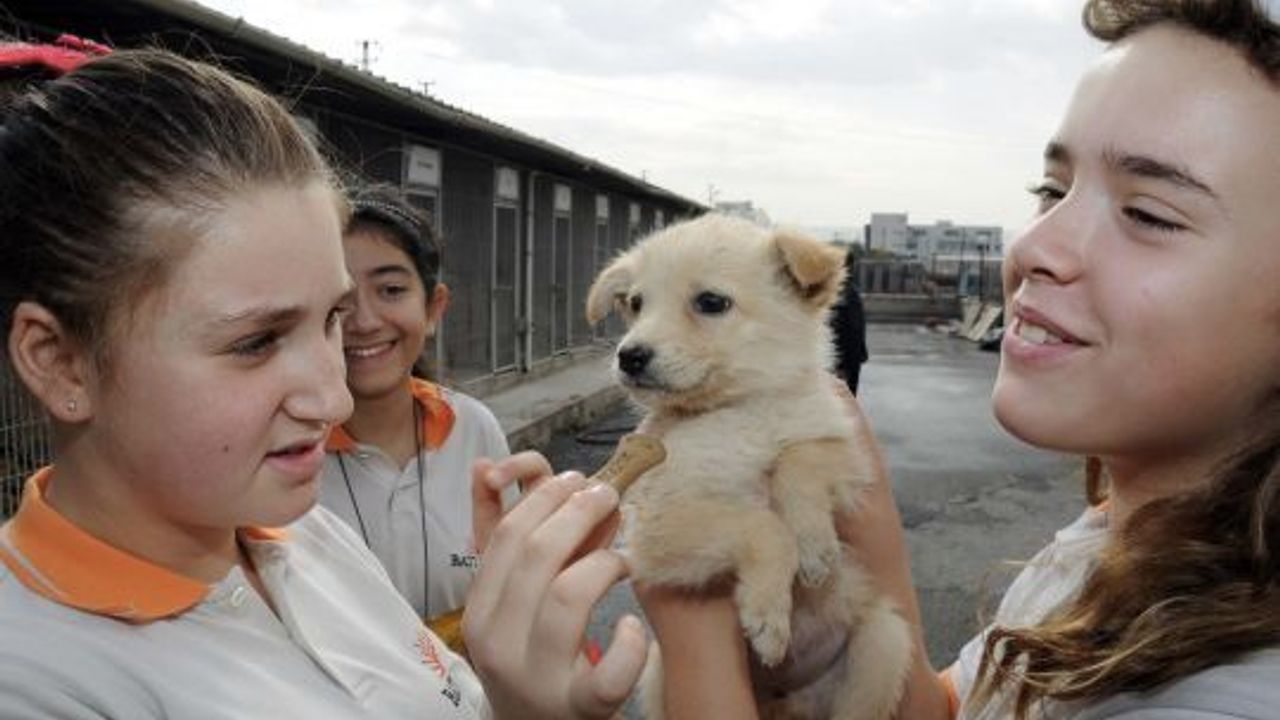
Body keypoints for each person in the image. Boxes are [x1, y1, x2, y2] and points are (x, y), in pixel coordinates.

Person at [507, 0, 1280, 717]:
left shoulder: (1232, 695)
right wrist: (872, 560)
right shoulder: (1105, 548)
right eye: (1051, 190)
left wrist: (688, 612)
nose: (1033, 247)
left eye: (1148, 213)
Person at [0, 44, 645, 719]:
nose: (335, 399)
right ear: (59, 361)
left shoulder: (307, 537)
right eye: (255, 342)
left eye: (331, 319)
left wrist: (519, 689)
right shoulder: (36, 682)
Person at [320, 185, 512, 634]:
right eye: (339, 299)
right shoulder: (281, 451)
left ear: (432, 308)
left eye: (390, 289)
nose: (364, 321)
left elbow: (505, 571)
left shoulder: (474, 429)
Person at [829, 248, 868, 395]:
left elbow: (853, 330)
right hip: (847, 358)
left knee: (842, 401)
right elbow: (856, 329)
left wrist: (842, 364)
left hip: (844, 361)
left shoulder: (843, 292)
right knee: (845, 399)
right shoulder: (848, 291)